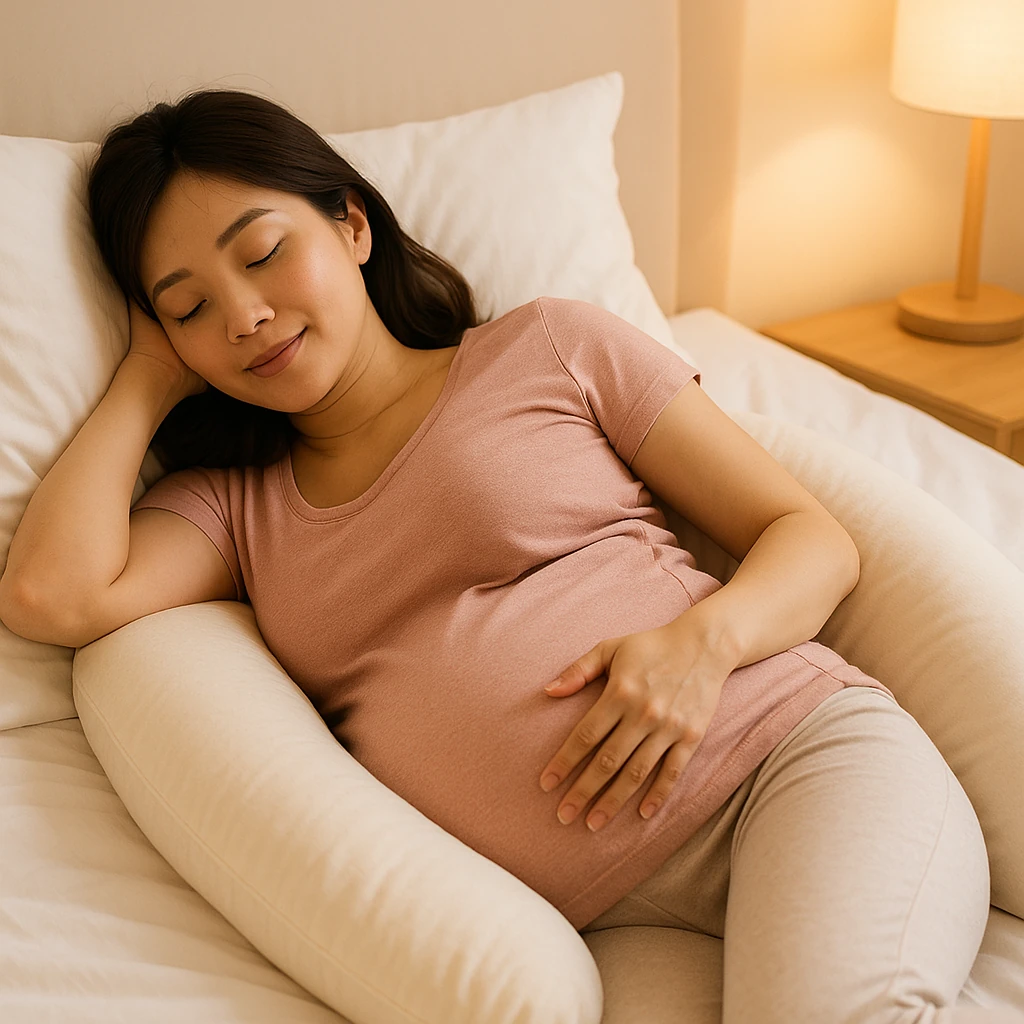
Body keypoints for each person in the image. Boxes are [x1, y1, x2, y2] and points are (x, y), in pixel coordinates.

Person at [0, 89, 1011, 1024]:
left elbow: (811, 537)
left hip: (785, 769)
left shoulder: (546, 348)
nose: (244, 314)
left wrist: (702, 642)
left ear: (351, 224)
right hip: (609, 925)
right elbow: (52, 593)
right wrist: (142, 379)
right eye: (188, 307)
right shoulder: (233, 508)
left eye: (262, 252)